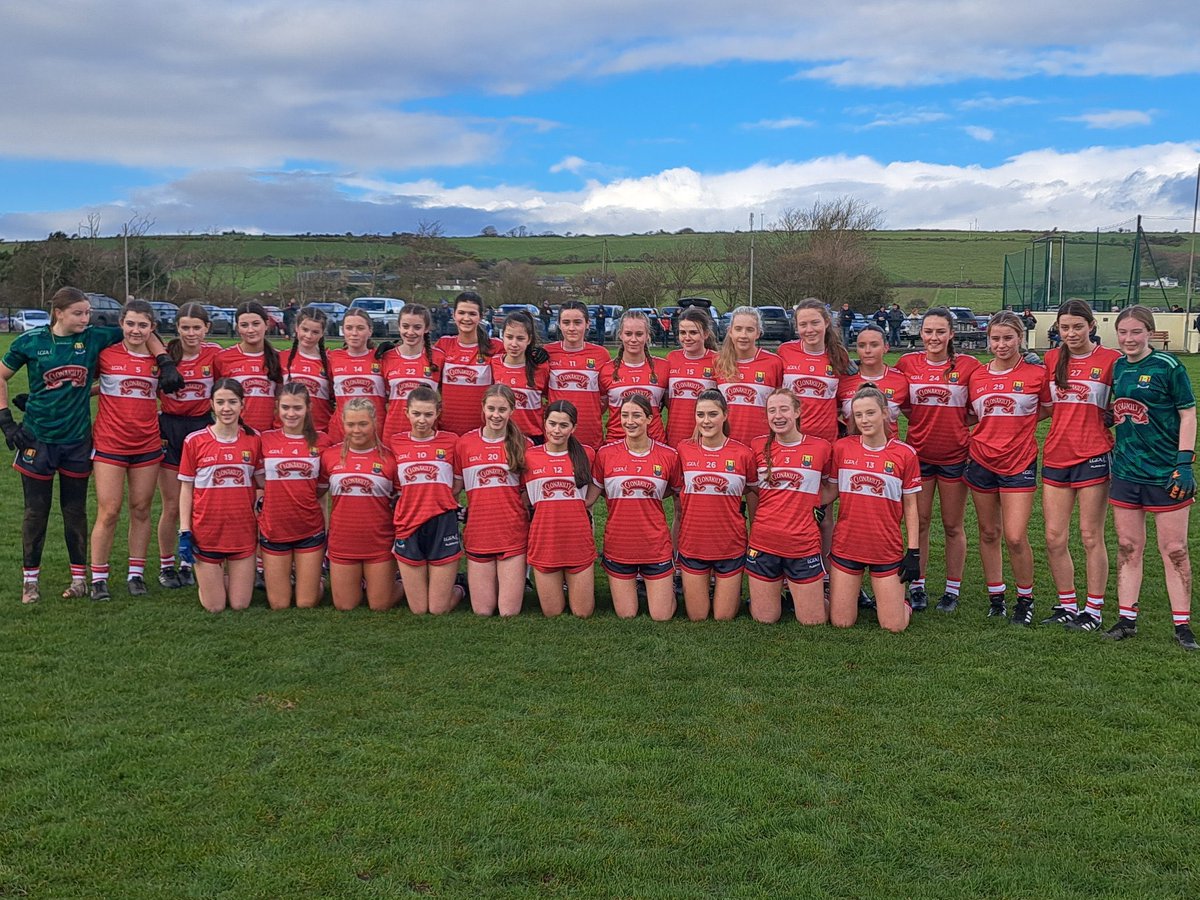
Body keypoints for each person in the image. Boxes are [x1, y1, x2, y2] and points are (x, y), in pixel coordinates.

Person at [1, 287, 179, 604]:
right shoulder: (34, 341)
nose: (87, 318)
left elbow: (143, 333)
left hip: (81, 441)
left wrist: (164, 361)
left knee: (80, 511)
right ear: (59, 313)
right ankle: (33, 581)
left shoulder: (95, 338)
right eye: (80, 313)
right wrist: (7, 419)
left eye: (88, 312)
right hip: (43, 439)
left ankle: (87, 578)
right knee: (37, 512)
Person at [1105, 305, 1196, 650]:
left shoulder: (1168, 366)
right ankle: (1127, 619)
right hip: (1127, 470)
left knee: (1174, 549)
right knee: (1129, 546)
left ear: (1150, 333)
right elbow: (1123, 408)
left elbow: (1188, 414)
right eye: (1123, 332)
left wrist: (1184, 462)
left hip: (1165, 471)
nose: (1129, 339)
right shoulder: (1117, 367)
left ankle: (1182, 625)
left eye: (1136, 332)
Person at [1036, 300, 1121, 630]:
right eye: (1065, 327)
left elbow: (1125, 404)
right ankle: (1067, 604)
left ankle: (1094, 611)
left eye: (1077, 326)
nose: (1070, 333)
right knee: (1054, 537)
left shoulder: (1110, 360)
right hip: (1057, 454)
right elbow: (1043, 403)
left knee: (1090, 536)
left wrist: (1111, 418)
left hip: (1093, 455)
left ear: (1091, 326)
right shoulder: (1051, 358)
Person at [895, 307, 982, 612]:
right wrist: (924, 419)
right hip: (917, 456)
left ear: (951, 334)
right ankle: (917, 586)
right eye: (929, 331)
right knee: (919, 522)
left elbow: (977, 409)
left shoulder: (968, 366)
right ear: (921, 333)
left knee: (952, 525)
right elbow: (901, 405)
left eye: (940, 332)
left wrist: (955, 423)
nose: (934, 337)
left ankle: (952, 589)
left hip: (954, 455)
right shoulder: (907, 363)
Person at [965, 310, 1048, 624]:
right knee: (988, 533)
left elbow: (1049, 408)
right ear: (988, 340)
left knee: (1014, 536)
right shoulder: (977, 375)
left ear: (1020, 339)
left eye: (1008, 338)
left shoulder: (1035, 374)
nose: (1001, 344)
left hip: (1019, 461)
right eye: (995, 338)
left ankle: (1025, 599)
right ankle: (996, 596)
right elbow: (971, 414)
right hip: (982, 459)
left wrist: (1021, 425)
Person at [88, 300, 167, 601]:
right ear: (121, 324)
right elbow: (89, 385)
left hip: (146, 444)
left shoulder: (158, 359)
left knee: (141, 509)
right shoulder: (106, 355)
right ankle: (99, 577)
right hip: (110, 443)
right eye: (130, 323)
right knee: (108, 511)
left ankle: (136, 573)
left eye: (142, 325)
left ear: (152, 328)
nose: (136, 330)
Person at [826, 385, 921, 633]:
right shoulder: (842, 448)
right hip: (847, 544)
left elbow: (911, 505)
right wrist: (807, 503)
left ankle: (903, 603)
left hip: (885, 547)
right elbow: (830, 491)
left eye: (870, 413)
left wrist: (913, 551)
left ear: (885, 413)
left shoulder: (905, 454)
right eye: (859, 415)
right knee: (841, 622)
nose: (864, 420)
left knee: (894, 626)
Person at [747, 388, 835, 624]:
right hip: (764, 543)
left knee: (813, 621)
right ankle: (779, 592)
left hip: (802, 544)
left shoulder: (821, 448)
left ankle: (819, 594)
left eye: (784, 409)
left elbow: (831, 487)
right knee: (764, 618)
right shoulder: (756, 447)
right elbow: (753, 486)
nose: (778, 416)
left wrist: (812, 501)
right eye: (772, 411)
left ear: (797, 411)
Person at [592, 393, 682, 620]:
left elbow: (676, 493)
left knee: (661, 616)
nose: (629, 421)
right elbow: (592, 496)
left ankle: (665, 586)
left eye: (636, 415)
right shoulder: (605, 454)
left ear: (650, 419)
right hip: (619, 546)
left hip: (655, 546)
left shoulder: (669, 455)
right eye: (624, 415)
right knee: (627, 614)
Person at [177, 378, 263, 613]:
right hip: (207, 532)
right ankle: (211, 580)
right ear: (211, 405)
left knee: (239, 604)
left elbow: (263, 485)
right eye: (221, 402)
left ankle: (224, 579)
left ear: (242, 405)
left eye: (233, 402)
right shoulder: (194, 441)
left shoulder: (254, 439)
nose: (227, 408)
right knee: (214, 607)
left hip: (242, 531)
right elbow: (186, 488)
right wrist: (185, 530)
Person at [674, 390, 756, 621]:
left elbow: (751, 488)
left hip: (730, 545)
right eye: (700, 414)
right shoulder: (683, 450)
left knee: (723, 617)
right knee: (698, 616)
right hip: (693, 544)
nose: (706, 420)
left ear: (725, 415)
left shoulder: (743, 454)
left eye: (712, 414)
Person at [157, 302, 221, 589]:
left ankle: (188, 562)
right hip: (170, 428)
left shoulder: (215, 354)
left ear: (207, 328)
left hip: (201, 428)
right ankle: (166, 565)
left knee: (198, 503)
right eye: (185, 327)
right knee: (172, 504)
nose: (191, 333)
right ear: (177, 327)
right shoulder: (165, 356)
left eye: (197, 327)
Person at [455, 384, 531, 616]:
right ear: (483, 408)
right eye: (491, 409)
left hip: (512, 534)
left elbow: (529, 493)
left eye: (502, 410)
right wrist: (455, 510)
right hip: (479, 533)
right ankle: (460, 585)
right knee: (483, 611)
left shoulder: (524, 445)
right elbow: (455, 488)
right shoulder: (465, 444)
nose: (496, 415)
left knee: (508, 612)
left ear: (512, 411)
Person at [389, 385, 466, 616]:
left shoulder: (452, 441)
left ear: (437, 414)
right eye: (416, 413)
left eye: (428, 414)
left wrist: (437, 500)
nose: (422, 420)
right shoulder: (395, 442)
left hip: (442, 521)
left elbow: (458, 483)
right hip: (408, 523)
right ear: (407, 413)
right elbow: (393, 484)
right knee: (419, 609)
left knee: (438, 609)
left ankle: (461, 587)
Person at [321, 397, 400, 612]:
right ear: (342, 423)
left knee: (379, 605)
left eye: (363, 424)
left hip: (379, 544)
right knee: (346, 606)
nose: (357, 430)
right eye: (351, 424)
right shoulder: (329, 456)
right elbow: (318, 492)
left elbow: (401, 501)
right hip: (343, 543)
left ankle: (404, 581)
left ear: (374, 422)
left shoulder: (391, 459)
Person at [523, 400, 600, 617]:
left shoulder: (587, 454)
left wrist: (581, 505)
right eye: (552, 424)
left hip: (577, 540)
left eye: (564, 425)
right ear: (544, 424)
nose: (557, 430)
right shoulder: (530, 455)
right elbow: (521, 493)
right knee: (552, 612)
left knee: (583, 612)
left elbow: (598, 484)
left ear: (573, 428)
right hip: (545, 540)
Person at [258, 383, 330, 610]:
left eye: (297, 408)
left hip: (309, 529)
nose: (291, 413)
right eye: (286, 407)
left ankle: (314, 578)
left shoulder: (322, 441)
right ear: (277, 408)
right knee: (279, 604)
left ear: (308, 408)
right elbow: (260, 481)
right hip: (274, 529)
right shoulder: (264, 439)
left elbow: (321, 488)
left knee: (306, 603)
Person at [713, 306, 783, 447]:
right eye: (738, 329)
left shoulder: (774, 362)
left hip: (763, 444)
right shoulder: (718, 362)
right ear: (730, 331)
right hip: (726, 444)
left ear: (758, 333)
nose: (743, 335)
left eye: (750, 330)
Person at [435, 291, 502, 435]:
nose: (466, 318)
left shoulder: (496, 347)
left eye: (472, 314)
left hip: (483, 431)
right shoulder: (443, 344)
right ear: (454, 315)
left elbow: (521, 356)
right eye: (461, 313)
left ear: (481, 317)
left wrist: (538, 355)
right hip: (446, 430)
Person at [599, 310, 670, 443]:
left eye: (639, 334)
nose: (633, 339)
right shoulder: (606, 370)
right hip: (616, 444)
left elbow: (674, 407)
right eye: (628, 334)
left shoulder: (663, 368)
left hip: (655, 443)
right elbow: (597, 410)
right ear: (620, 335)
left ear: (647, 335)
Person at [545, 300, 607, 449]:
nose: (571, 328)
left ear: (587, 324)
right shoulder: (547, 353)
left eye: (577, 322)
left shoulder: (601, 354)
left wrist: (589, 411)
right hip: (556, 439)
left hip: (590, 438)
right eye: (566, 322)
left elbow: (606, 396)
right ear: (559, 324)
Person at [381, 303, 444, 445]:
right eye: (405, 326)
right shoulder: (386, 357)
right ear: (398, 326)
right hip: (393, 431)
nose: (410, 332)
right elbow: (383, 400)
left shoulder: (439, 358)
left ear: (426, 328)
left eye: (417, 327)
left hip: (426, 433)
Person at [217, 301, 283, 434]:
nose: (250, 330)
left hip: (270, 434)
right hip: (235, 434)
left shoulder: (279, 358)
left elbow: (281, 398)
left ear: (266, 324)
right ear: (238, 328)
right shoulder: (223, 358)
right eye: (244, 325)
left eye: (256, 324)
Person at [326, 308, 386, 444]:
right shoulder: (332, 357)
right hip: (341, 430)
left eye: (360, 328)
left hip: (375, 429)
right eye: (349, 328)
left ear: (370, 330)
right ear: (343, 330)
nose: (354, 333)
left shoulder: (382, 358)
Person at [837, 325, 908, 438]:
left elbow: (913, 415)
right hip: (852, 450)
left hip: (889, 450)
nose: (867, 350)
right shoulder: (844, 379)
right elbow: (831, 415)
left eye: (874, 345)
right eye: (862, 345)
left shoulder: (901, 380)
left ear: (886, 347)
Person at [490, 309, 549, 441]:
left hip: (533, 436)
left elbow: (551, 397)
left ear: (529, 340)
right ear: (502, 336)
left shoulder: (541, 367)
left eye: (520, 338)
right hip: (502, 435)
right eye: (509, 337)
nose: (514, 344)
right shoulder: (494, 363)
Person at [665, 307, 719, 448]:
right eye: (683, 332)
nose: (687, 338)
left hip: (706, 437)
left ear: (705, 334)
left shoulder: (717, 360)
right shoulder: (672, 358)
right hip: (674, 436)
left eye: (693, 332)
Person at [283, 305, 335, 434]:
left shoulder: (331, 361)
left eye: (315, 332)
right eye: (305, 330)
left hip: (320, 431)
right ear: (296, 328)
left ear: (322, 333)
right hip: (287, 431)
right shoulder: (281, 358)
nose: (308, 335)